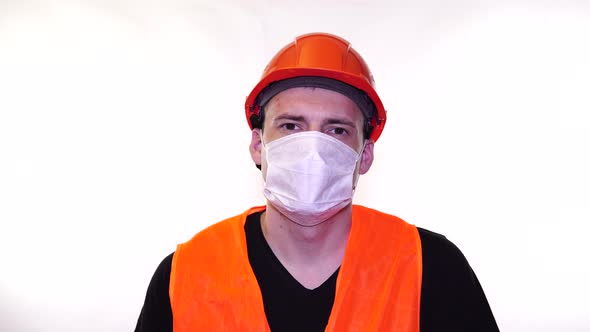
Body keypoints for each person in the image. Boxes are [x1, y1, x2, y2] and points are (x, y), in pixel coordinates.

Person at [135, 32, 499, 332]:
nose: (313, 149)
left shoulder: (430, 267)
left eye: (336, 130)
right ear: (258, 145)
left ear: (365, 155)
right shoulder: (185, 275)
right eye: (291, 125)